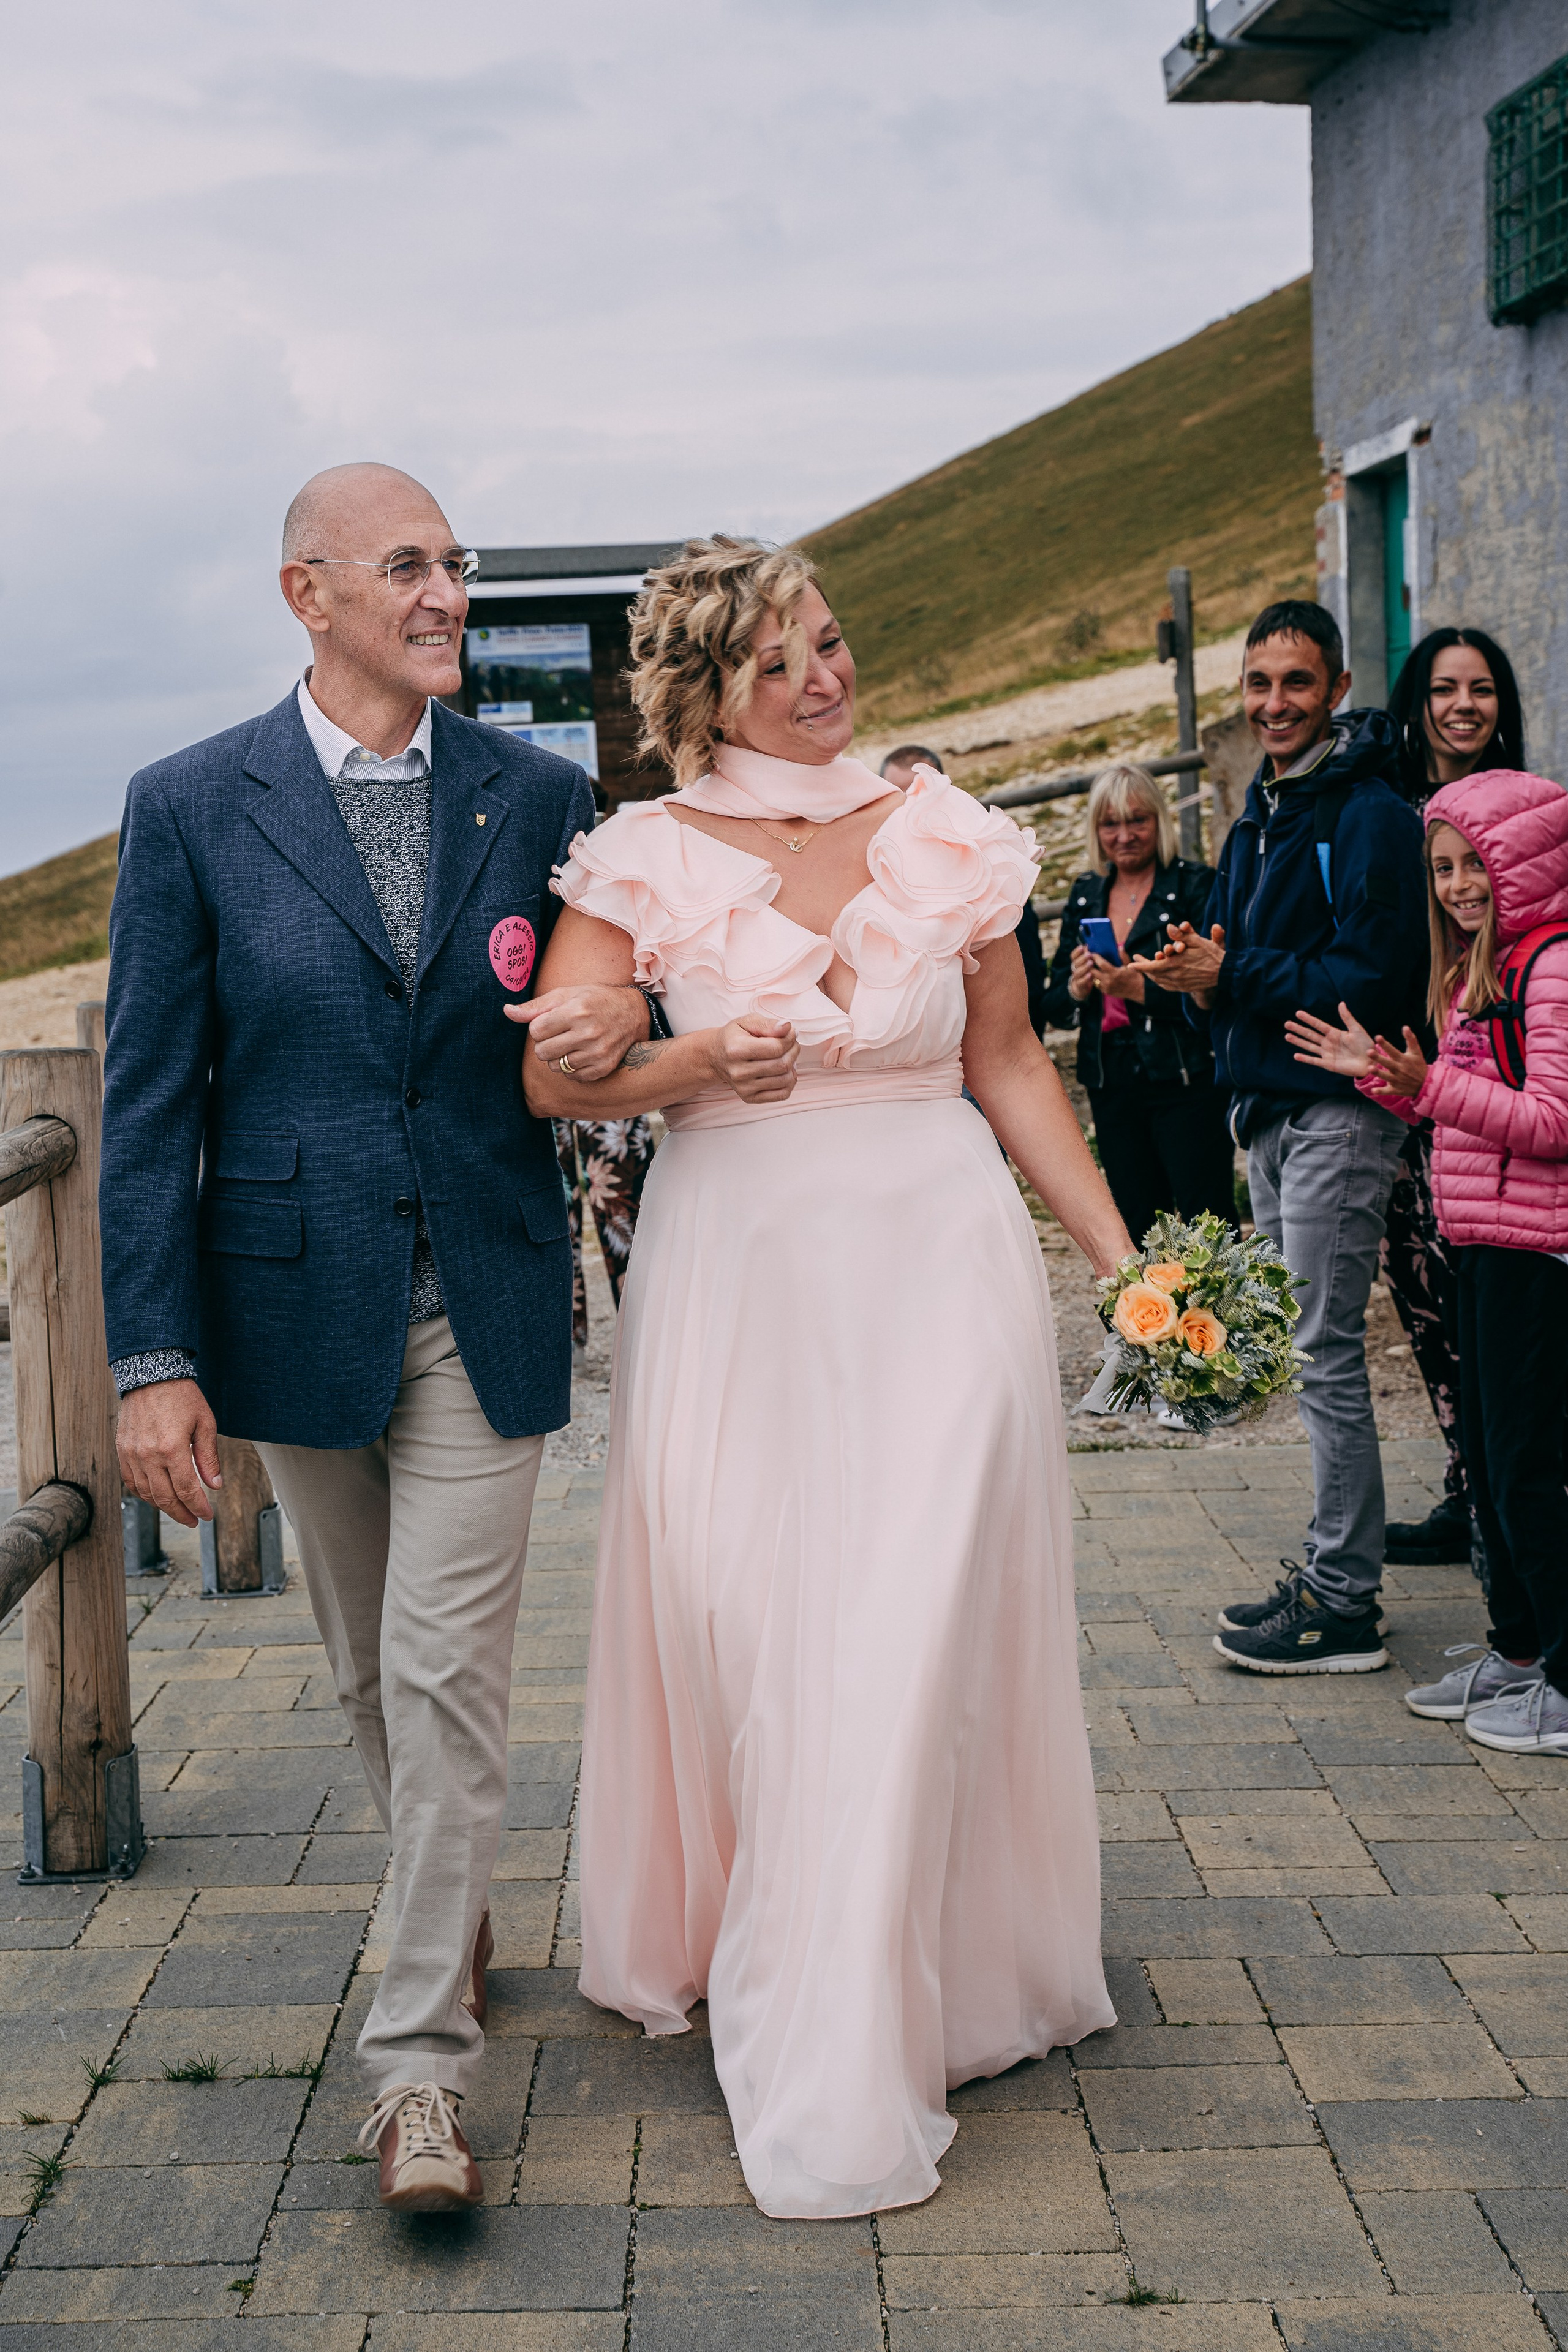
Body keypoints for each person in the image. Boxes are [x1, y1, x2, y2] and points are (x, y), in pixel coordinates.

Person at [514, 535, 1126, 2219]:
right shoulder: (636, 855)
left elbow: (1006, 1063)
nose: (822, 679)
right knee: (768, 1625)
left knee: (916, 1612)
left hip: (942, 1271)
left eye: (834, 644)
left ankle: (900, 1994)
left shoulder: (948, 832)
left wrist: (1126, 1266)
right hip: (746, 1282)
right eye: (779, 661)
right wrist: (688, 1057)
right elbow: (564, 1077)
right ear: (705, 688)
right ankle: (815, 1955)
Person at [102, 464, 654, 2212]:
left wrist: (619, 1012)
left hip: (482, 1302)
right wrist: (151, 1358)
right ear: (308, 594)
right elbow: (146, 1104)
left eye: (455, 566)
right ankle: (451, 1906)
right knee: (368, 1680)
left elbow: (595, 1026)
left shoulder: (543, 791)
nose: (443, 596)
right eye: (405, 567)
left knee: (445, 1680)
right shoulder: (192, 806)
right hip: (283, 1309)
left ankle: (419, 2073)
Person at [1139, 600, 1428, 1675]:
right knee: (1313, 1351)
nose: (1274, 704)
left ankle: (1344, 1600)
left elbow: (1374, 980)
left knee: (1324, 1349)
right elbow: (1238, 969)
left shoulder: (1369, 817)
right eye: (1259, 684)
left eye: (1295, 683)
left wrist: (1235, 979)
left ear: (1337, 688)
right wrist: (1193, 980)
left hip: (1340, 1112)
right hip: (1265, 1107)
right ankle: (1329, 1569)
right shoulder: (1264, 809)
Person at [1286, 771, 1568, 1754]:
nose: (1456, 885)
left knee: (1532, 1469)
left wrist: (1432, 1086)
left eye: (1473, 863)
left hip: (1543, 1256)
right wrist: (1391, 1080)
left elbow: (1555, 1123)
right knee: (1488, 1464)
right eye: (1441, 867)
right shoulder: (1476, 976)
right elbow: (1461, 1113)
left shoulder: (1555, 966)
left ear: (1523, 860)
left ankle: (1565, 1675)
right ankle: (1521, 1652)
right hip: (1486, 1245)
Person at [1377, 629, 1528, 1568]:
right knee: (1422, 1291)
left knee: (1497, 1310)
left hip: (1493, 1086)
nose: (1463, 705)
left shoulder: (1527, 808)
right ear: (1418, 700)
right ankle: (1465, 1483)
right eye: (1444, 688)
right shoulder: (1387, 810)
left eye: (1481, 689)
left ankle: (1506, 1499)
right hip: (1404, 1079)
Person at [1042, 762, 1234, 1248]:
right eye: (1111, 823)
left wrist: (1138, 990)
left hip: (1185, 1081)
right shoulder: (1087, 894)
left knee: (1206, 1224)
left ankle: (1220, 1325)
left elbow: (1216, 996)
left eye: (1137, 820)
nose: (1124, 835)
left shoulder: (1196, 886)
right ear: (1096, 830)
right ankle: (1146, 1324)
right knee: (1136, 1228)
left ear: (1159, 821)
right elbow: (1055, 1003)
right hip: (1111, 1083)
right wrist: (1079, 989)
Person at [880, 744, 1049, 1034]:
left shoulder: (991, 874)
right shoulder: (872, 871)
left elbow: (1027, 975)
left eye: (918, 795)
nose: (907, 810)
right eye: (896, 797)